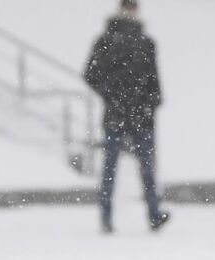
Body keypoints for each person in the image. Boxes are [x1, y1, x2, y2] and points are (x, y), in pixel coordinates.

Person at [84, 0, 168, 234]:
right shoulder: (109, 41)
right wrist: (115, 94)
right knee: (115, 168)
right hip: (124, 114)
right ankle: (109, 216)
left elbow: (153, 78)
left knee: (143, 169)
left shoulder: (142, 43)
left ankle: (151, 213)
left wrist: (151, 102)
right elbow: (92, 74)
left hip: (134, 114)